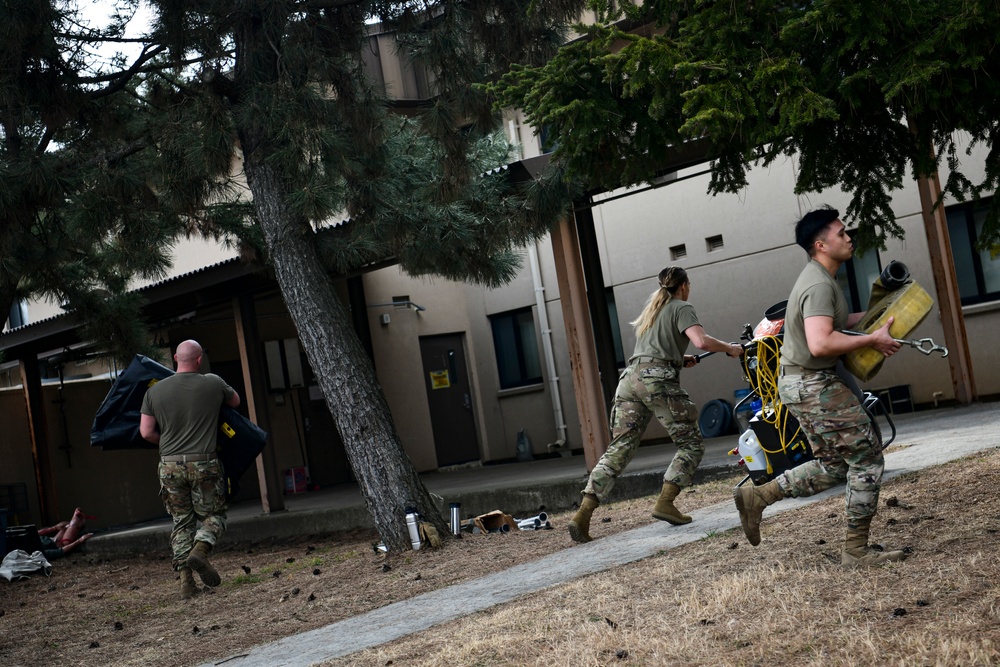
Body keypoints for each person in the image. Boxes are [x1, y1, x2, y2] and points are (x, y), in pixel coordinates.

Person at [733, 206, 907, 567]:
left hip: (800, 384)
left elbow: (836, 324)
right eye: (841, 233)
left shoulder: (821, 279)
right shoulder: (817, 285)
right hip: (814, 383)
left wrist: (886, 318)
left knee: (833, 464)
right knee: (867, 457)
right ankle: (855, 551)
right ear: (821, 244)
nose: (848, 237)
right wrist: (871, 340)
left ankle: (759, 496)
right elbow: (821, 343)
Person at [568, 266, 743, 543]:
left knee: (619, 448)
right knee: (692, 444)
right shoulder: (681, 307)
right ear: (684, 285)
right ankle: (665, 502)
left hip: (630, 380)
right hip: (656, 382)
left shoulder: (653, 310)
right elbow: (701, 341)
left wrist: (679, 359)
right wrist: (730, 348)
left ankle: (583, 514)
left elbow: (652, 353)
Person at [140, 340, 241, 598]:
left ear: (175, 358)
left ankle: (186, 583)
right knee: (214, 515)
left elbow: (146, 432)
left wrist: (169, 445)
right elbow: (235, 402)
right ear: (199, 360)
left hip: (170, 465)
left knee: (181, 521)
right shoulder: (213, 382)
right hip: (204, 462)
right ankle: (200, 551)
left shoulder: (154, 391)